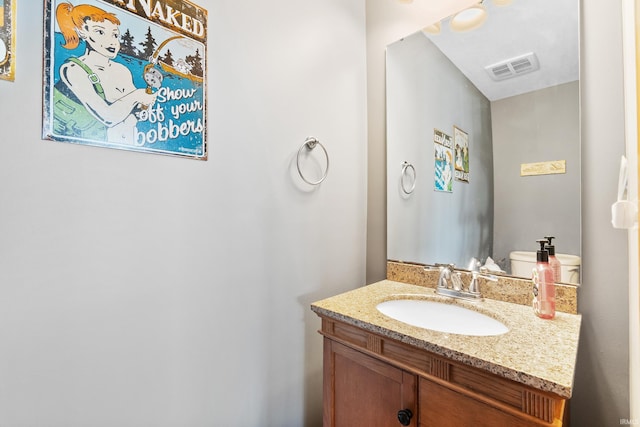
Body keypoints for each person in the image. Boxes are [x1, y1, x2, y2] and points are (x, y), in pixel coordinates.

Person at [52, 2, 156, 144]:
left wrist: (143, 103)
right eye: (100, 32)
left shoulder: (122, 71)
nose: (112, 41)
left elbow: (135, 111)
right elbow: (108, 116)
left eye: (115, 35)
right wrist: (137, 96)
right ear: (83, 32)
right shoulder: (73, 70)